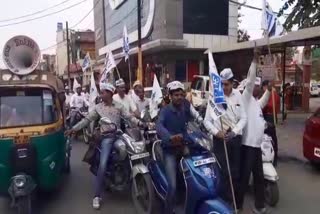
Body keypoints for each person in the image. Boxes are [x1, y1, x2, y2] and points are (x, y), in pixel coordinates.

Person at [65, 82, 144, 210]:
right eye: (101, 92)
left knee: (134, 151)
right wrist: (73, 129)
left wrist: (141, 123)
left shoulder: (119, 106)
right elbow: (87, 120)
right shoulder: (98, 108)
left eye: (103, 92)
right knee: (103, 164)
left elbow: (129, 117)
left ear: (110, 93)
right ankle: (97, 196)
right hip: (106, 138)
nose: (101, 95)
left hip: (119, 136)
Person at [156, 81, 203, 213]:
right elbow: (159, 126)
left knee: (195, 175)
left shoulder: (186, 106)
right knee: (172, 185)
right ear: (170, 96)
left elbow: (197, 117)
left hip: (184, 146)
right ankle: (168, 210)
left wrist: (205, 126)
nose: (179, 97)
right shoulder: (165, 111)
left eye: (181, 95)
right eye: (176, 95)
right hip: (169, 150)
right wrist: (170, 137)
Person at [203, 68, 247, 209]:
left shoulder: (238, 96)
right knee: (222, 173)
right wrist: (216, 132)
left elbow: (243, 118)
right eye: (221, 84)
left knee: (235, 173)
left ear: (232, 83)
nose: (223, 87)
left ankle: (236, 204)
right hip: (220, 140)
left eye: (226, 84)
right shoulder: (214, 98)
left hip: (234, 139)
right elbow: (206, 121)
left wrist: (234, 132)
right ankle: (223, 204)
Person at [238, 49, 271, 214]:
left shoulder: (256, 102)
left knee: (258, 177)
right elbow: (250, 81)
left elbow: (265, 100)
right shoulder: (245, 98)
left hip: (257, 147)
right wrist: (255, 60)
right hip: (247, 146)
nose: (257, 87)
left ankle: (259, 206)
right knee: (244, 179)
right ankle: (238, 207)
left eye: (259, 86)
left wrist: (270, 89)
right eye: (256, 85)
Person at [262, 80, 280, 166]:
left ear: (265, 86)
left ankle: (271, 157)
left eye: (263, 87)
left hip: (268, 117)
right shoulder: (275, 94)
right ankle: (274, 157)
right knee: (272, 138)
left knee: (269, 138)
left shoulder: (272, 95)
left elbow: (268, 105)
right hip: (272, 117)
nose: (263, 89)